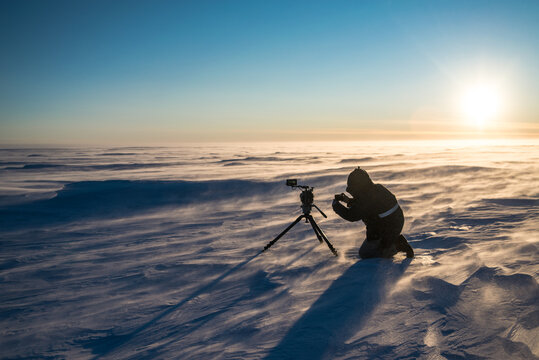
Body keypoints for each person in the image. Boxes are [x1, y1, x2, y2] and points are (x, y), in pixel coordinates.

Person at [332, 167, 414, 259]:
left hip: (387, 227)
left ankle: (396, 245)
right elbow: (366, 206)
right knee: (371, 246)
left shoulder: (367, 198)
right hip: (393, 222)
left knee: (366, 253)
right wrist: (348, 201)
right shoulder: (376, 189)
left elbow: (352, 215)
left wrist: (336, 206)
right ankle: (392, 241)